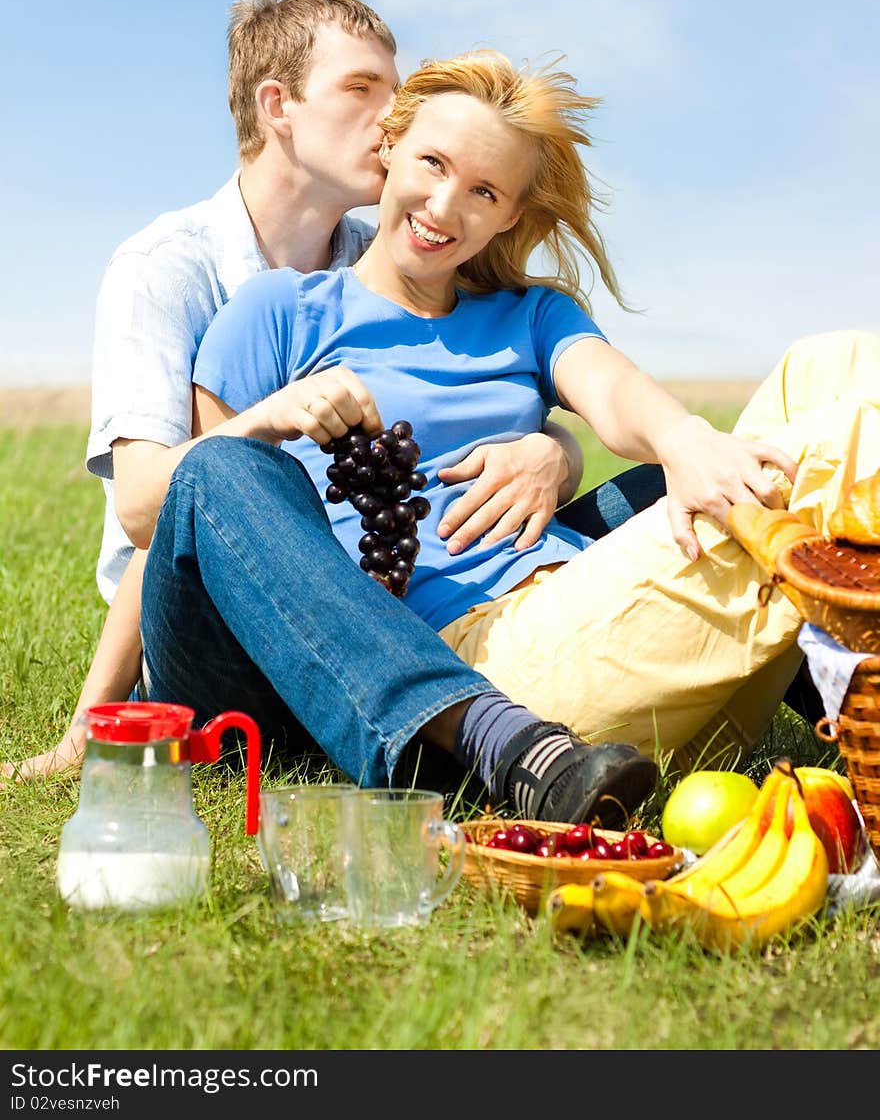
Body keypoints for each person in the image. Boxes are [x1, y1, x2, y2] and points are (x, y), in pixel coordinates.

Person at [133, 49, 856, 820]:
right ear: (390, 150)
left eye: (483, 190)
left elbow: (608, 390)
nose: (446, 207)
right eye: (433, 164)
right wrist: (270, 417)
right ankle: (490, 735)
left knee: (831, 368)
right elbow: (175, 514)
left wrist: (672, 440)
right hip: (405, 665)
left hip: (559, 612)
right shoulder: (279, 309)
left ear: (511, 212)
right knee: (224, 466)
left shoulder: (529, 316)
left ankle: (850, 691)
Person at [2, 0, 665, 784]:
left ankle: (852, 710)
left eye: (398, 97)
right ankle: (494, 737)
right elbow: (156, 508)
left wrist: (553, 449)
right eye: (363, 90)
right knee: (226, 469)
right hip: (219, 623)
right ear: (278, 106)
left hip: (406, 582)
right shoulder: (172, 270)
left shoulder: (396, 247)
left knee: (660, 488)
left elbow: (502, 367)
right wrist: (88, 731)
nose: (392, 119)